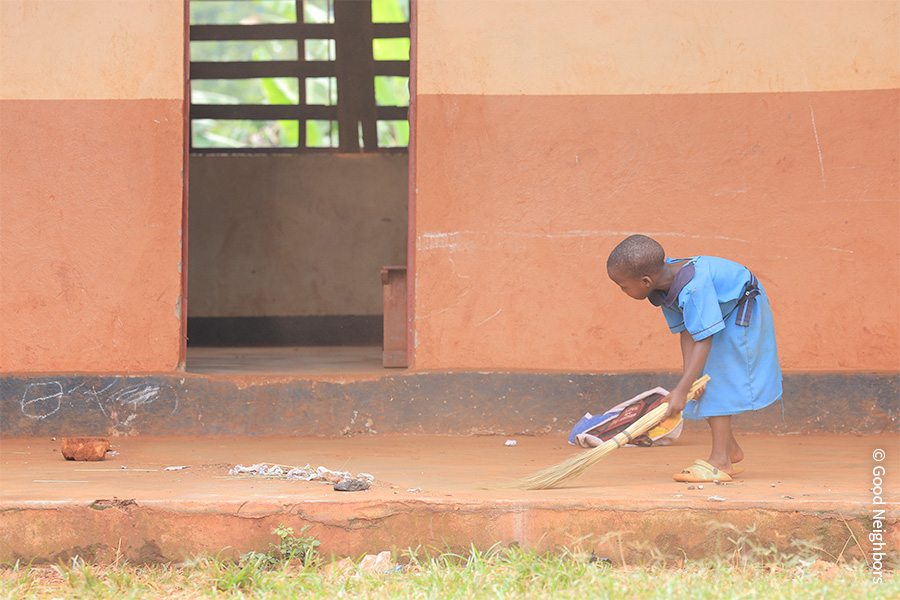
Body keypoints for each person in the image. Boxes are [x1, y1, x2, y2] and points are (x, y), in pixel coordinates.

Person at [606, 234, 782, 482]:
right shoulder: (663, 286)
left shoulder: (693, 287)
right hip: (721, 309)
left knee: (718, 378)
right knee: (703, 380)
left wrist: (682, 388)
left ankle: (721, 462)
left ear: (645, 281)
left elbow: (703, 340)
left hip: (741, 308)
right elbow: (689, 332)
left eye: (623, 286)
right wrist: (690, 380)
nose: (623, 291)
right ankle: (730, 449)